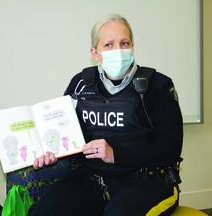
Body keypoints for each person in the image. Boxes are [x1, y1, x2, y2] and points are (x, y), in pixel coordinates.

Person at [28, 13, 183, 216]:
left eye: (124, 43)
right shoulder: (80, 84)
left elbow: (170, 148)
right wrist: (51, 152)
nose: (118, 50)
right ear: (95, 53)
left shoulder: (157, 85)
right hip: (91, 178)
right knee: (43, 211)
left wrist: (116, 154)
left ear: (133, 47)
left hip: (147, 181)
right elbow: (64, 133)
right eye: (109, 45)